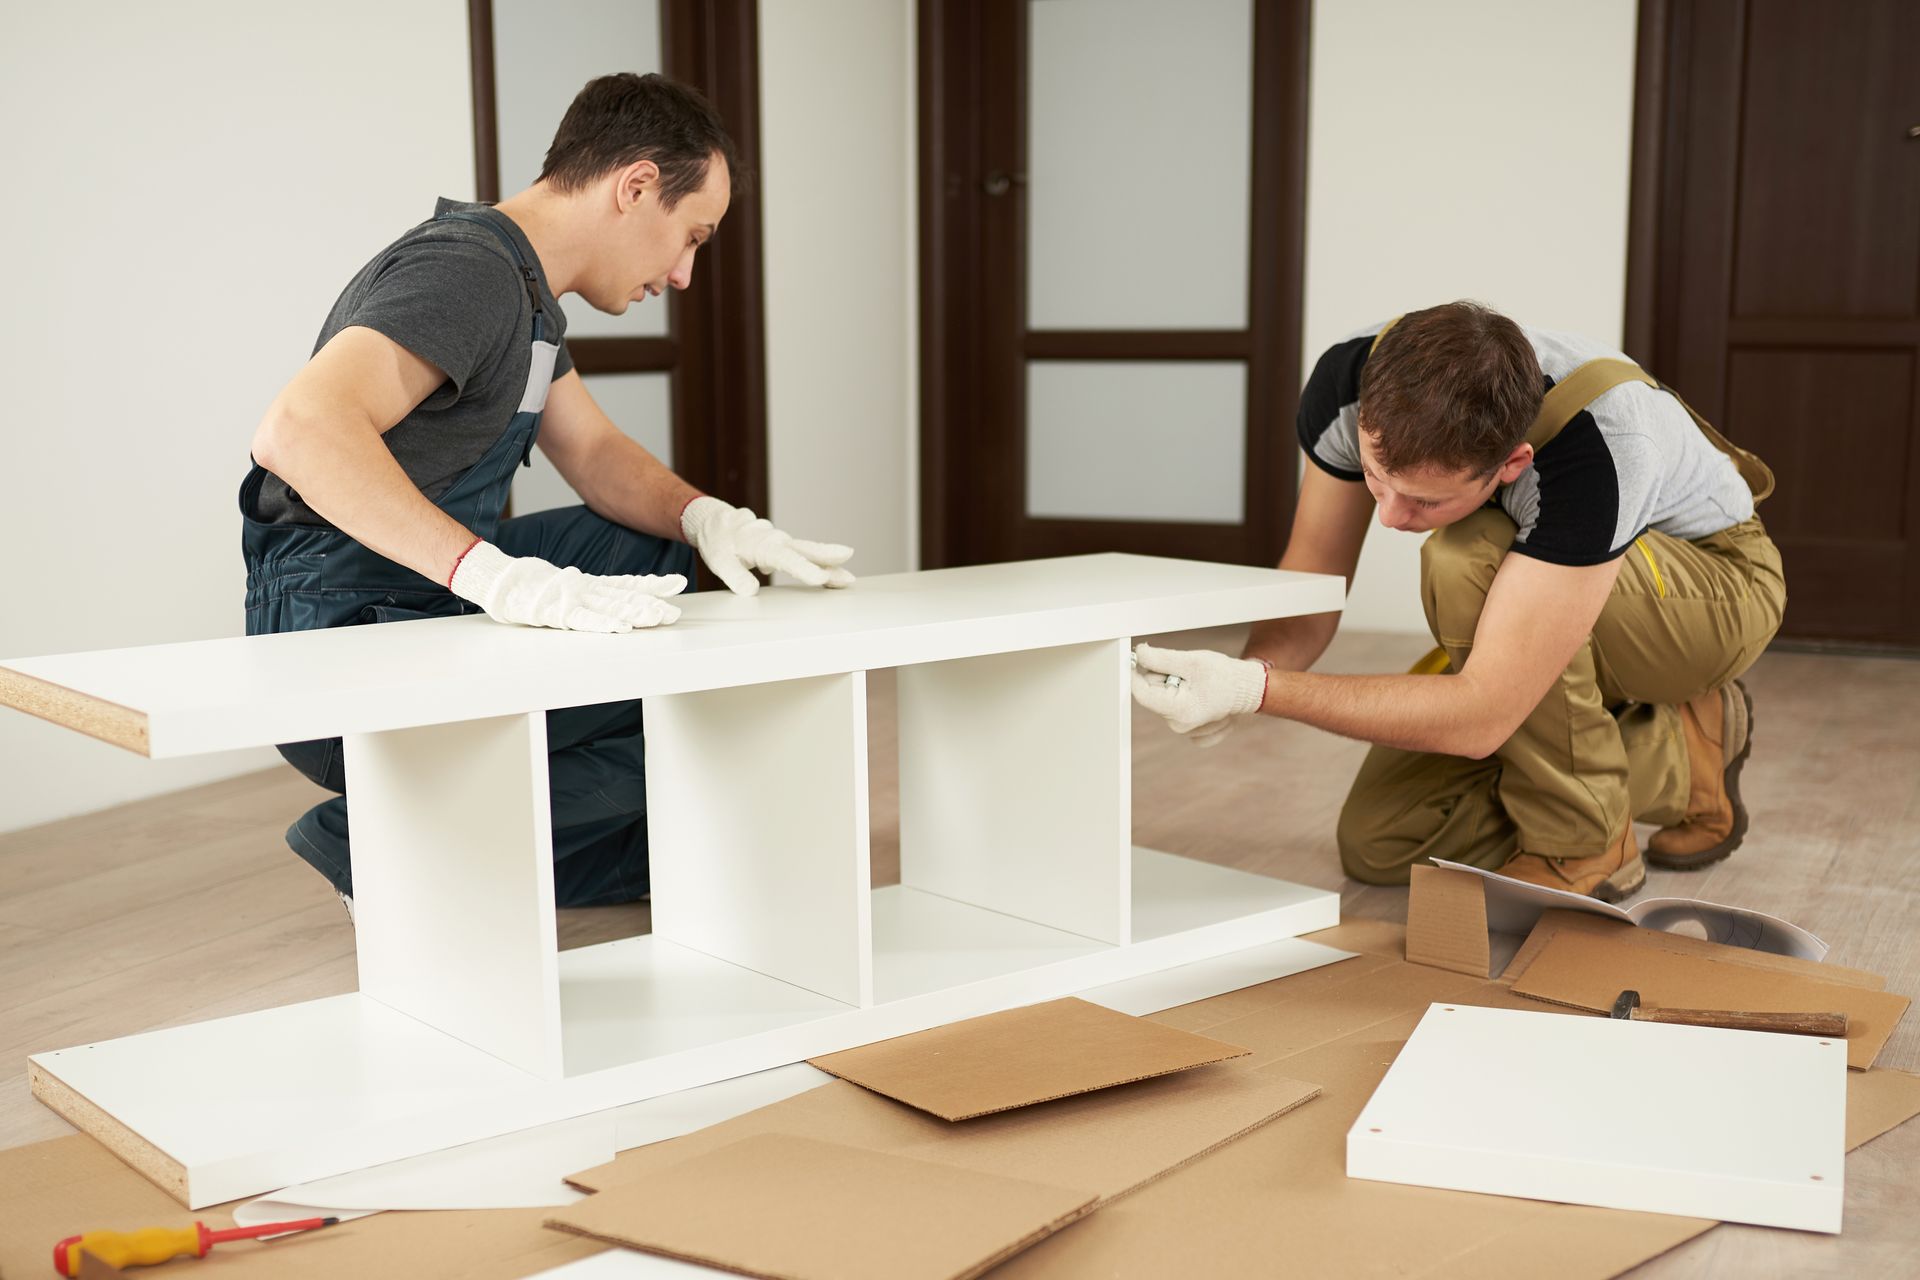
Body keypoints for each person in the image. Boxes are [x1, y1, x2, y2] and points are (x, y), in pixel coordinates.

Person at [239, 72, 853, 912]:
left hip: (415, 599)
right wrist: (496, 579)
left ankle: (439, 853)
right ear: (635, 186)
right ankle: (381, 841)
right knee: (701, 734)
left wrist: (711, 518)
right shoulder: (468, 272)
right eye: (692, 236)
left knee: (665, 563)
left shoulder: (527, 294)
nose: (683, 273)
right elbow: (301, 428)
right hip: (339, 629)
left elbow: (595, 452)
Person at [1131, 301, 1785, 902]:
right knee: (1383, 839)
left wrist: (1258, 690)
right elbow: (1313, 582)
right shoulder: (1350, 384)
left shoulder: (1597, 451)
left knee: (1465, 554)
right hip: (1576, 596)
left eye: (1425, 501)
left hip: (1718, 588)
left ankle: (1586, 843)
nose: (1388, 516)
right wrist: (1256, 668)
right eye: (1377, 481)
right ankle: (1685, 757)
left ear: (1511, 463)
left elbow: (1481, 718)